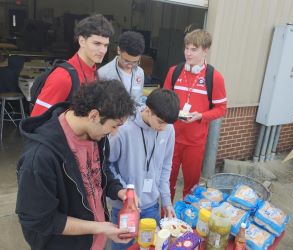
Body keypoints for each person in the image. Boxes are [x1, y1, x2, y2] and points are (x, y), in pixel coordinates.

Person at [16, 80, 136, 250]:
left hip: (95, 241)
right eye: (114, 126)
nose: (114, 133)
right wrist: (100, 227)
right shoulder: (40, 158)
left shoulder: (97, 136)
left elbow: (98, 172)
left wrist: (118, 190)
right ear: (94, 115)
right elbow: (39, 220)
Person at [108, 88, 180, 249]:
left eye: (167, 124)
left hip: (152, 206)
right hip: (125, 207)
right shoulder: (123, 129)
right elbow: (107, 164)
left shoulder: (168, 129)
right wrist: (125, 191)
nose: (163, 128)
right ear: (148, 110)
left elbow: (166, 166)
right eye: (160, 122)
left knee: (150, 246)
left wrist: (167, 202)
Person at [163, 29, 227, 201]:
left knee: (191, 187)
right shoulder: (174, 71)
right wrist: (170, 111)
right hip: (171, 138)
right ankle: (164, 220)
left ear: (205, 50)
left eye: (194, 49)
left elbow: (221, 108)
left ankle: (186, 218)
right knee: (166, 182)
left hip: (195, 142)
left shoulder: (214, 77)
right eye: (186, 48)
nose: (188, 53)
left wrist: (201, 116)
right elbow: (164, 99)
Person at [31, 14, 113, 117]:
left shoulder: (94, 74)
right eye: (97, 43)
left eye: (105, 45)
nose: (102, 50)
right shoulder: (63, 77)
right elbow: (36, 121)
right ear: (82, 41)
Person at [98, 31, 145, 103]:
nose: (130, 66)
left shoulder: (140, 72)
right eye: (126, 61)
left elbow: (139, 99)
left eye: (135, 62)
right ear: (119, 50)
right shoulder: (103, 74)